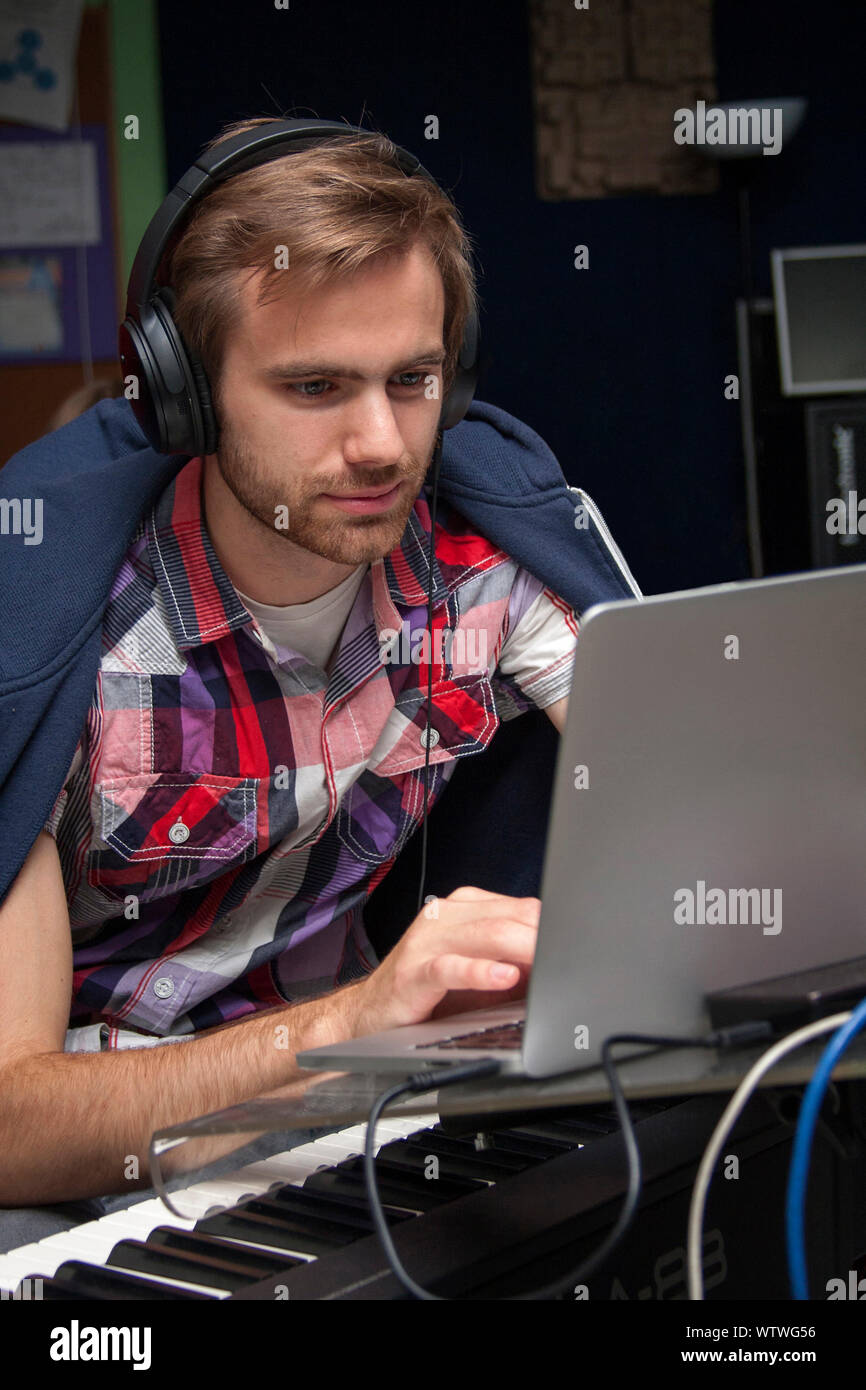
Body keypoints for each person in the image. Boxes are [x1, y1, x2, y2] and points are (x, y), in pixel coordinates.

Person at [0, 118, 637, 1228]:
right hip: (96, 1159)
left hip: (362, 1122)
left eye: (414, 379)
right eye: (314, 388)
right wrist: (353, 1023)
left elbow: (710, 835)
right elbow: (11, 1127)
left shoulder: (490, 572)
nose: (384, 443)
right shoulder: (55, 642)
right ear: (180, 395)